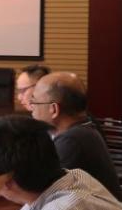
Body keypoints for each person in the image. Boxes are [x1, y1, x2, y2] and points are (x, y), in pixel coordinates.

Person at [29, 71, 122, 200]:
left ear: (54, 109)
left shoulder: (72, 141)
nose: (31, 107)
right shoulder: (83, 129)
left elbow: (38, 192)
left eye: (34, 101)